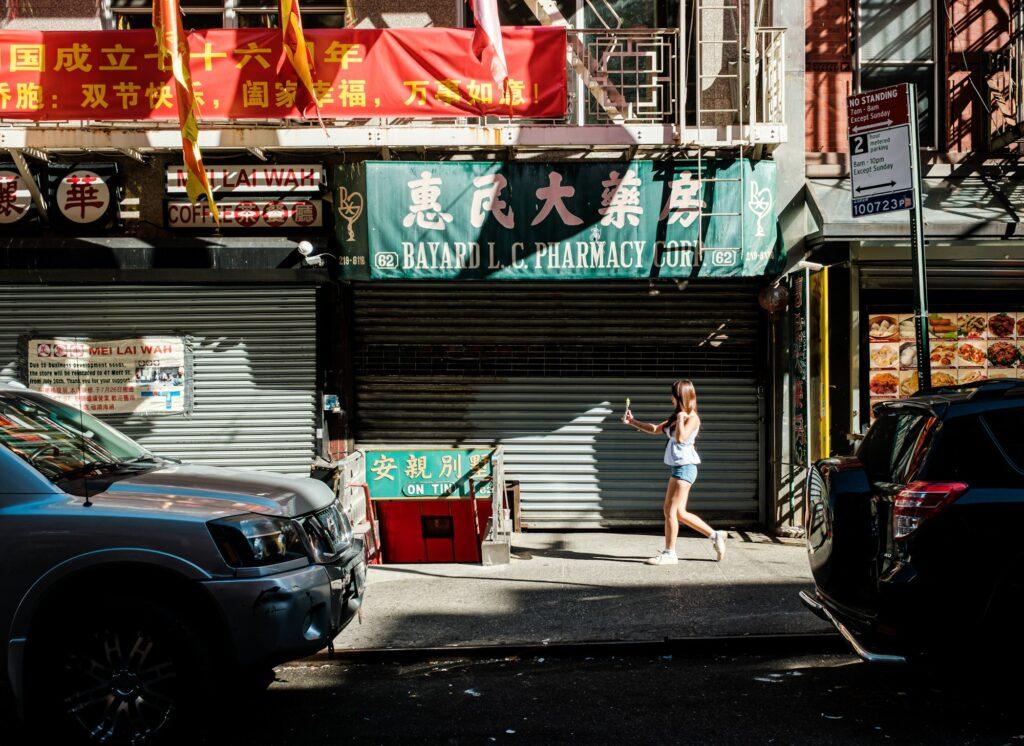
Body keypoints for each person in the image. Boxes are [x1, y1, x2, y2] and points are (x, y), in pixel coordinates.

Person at [623, 379, 726, 565]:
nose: (670, 398)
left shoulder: (692, 418)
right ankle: (715, 535)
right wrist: (632, 422)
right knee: (679, 512)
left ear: (681, 396)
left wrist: (680, 418)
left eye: (673, 395)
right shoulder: (676, 416)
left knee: (669, 510)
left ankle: (670, 553)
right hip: (680, 468)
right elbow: (655, 429)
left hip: (685, 468)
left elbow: (680, 438)